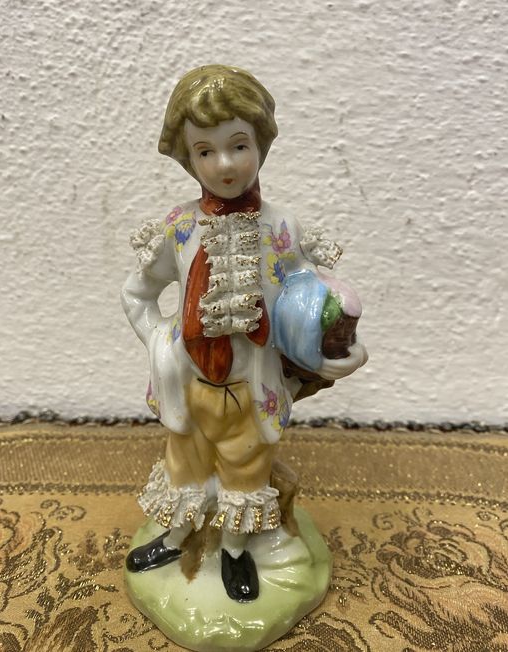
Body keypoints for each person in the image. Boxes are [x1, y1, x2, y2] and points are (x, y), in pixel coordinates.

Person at [121, 65, 367, 602]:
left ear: (261, 144)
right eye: (205, 151)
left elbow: (310, 303)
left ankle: (235, 551)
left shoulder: (282, 228)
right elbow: (137, 294)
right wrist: (160, 344)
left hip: (252, 390)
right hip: (189, 384)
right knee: (184, 467)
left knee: (246, 472)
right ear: (188, 158)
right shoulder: (179, 227)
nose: (225, 164)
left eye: (238, 145)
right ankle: (178, 537)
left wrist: (331, 349)